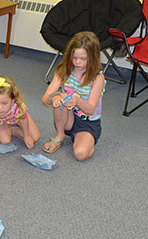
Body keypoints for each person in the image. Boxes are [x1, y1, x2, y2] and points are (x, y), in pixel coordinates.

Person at [41, 31, 105, 161]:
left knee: (80, 154)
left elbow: (90, 109)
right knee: (62, 98)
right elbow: (45, 98)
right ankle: (59, 136)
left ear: (92, 58)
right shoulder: (63, 70)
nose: (77, 62)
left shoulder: (97, 78)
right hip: (67, 119)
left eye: (83, 59)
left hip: (88, 123)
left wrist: (77, 101)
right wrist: (55, 97)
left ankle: (86, 140)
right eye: (74, 57)